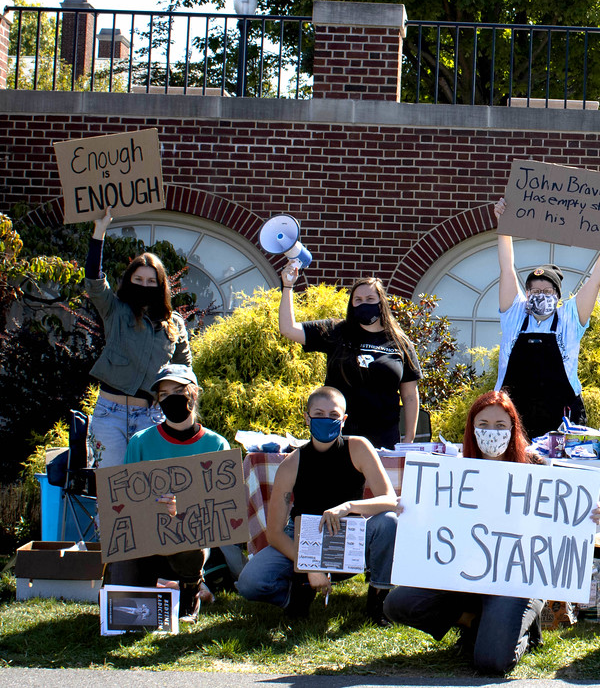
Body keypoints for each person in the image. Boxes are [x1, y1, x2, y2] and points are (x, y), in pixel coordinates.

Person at [384, 389, 600, 674]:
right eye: (483, 425)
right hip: (463, 578)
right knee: (397, 604)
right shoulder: (457, 472)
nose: (492, 433)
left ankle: (525, 631)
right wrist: (413, 509)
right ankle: (473, 622)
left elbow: (559, 515)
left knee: (491, 663)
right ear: (472, 429)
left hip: (516, 581)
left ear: (513, 429)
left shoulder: (535, 467)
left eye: (500, 426)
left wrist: (588, 511)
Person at [235, 386, 399, 623]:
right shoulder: (291, 464)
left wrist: (348, 507)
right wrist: (309, 564)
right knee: (250, 583)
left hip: (349, 534)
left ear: (343, 420)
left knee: (388, 522)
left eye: (333, 415)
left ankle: (379, 600)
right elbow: (274, 533)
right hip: (305, 537)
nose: (326, 420)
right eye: (319, 414)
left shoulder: (358, 447)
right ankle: (296, 595)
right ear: (307, 418)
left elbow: (389, 500)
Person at [491, 198, 600, 438]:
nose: (540, 296)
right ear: (526, 292)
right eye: (534, 291)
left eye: (547, 291)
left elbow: (595, 280)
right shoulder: (514, 313)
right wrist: (504, 226)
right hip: (512, 413)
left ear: (558, 295)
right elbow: (506, 267)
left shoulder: (570, 318)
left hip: (562, 416)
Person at [104, 364, 230, 622]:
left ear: (194, 393)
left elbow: (222, 512)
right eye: (163, 394)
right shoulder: (140, 442)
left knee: (188, 541)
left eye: (178, 390)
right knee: (120, 608)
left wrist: (183, 509)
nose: (170, 398)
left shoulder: (216, 444)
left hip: (190, 541)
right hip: (144, 538)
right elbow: (125, 504)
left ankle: (189, 595)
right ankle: (166, 586)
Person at [85, 209, 191, 469]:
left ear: (161, 285)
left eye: (151, 281)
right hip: (110, 414)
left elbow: (185, 372)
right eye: (138, 279)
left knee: (149, 493)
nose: (144, 285)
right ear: (129, 281)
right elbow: (94, 281)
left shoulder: (174, 324)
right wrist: (100, 230)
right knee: (110, 494)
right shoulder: (115, 310)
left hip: (152, 416)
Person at [279, 271, 421, 448]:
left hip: (384, 439)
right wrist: (287, 286)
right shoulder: (335, 331)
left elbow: (410, 396)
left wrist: (409, 439)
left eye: (370, 299)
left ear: (381, 302)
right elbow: (288, 329)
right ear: (351, 304)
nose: (364, 304)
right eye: (358, 300)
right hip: (337, 438)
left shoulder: (400, 342)